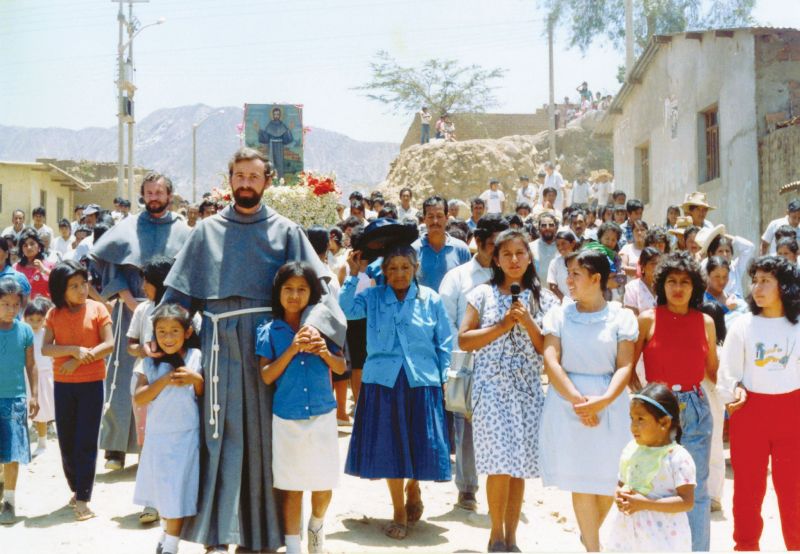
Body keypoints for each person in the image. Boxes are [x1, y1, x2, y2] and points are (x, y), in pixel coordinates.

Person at [161, 148, 346, 552]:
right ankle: (217, 535)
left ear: (267, 181)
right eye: (239, 176)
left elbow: (321, 290)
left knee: (266, 444)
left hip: (271, 349)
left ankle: (262, 537)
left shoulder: (287, 232)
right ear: (229, 180)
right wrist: (169, 336)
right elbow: (175, 299)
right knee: (220, 441)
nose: (246, 183)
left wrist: (313, 329)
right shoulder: (205, 232)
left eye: (254, 176)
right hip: (218, 351)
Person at [341, 245, 452, 541]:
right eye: (392, 268)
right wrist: (354, 275)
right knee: (390, 446)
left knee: (420, 440)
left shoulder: (431, 299)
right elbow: (345, 309)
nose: (399, 274)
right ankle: (398, 511)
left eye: (405, 267)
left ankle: (414, 484)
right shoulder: (373, 297)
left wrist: (444, 378)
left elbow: (444, 341)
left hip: (422, 379)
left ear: (415, 268)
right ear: (384, 273)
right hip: (383, 382)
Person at [458, 229, 558, 552]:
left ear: (529, 257)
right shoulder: (481, 295)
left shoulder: (545, 299)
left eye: (520, 253)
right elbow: (464, 340)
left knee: (519, 468)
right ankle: (495, 534)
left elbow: (547, 348)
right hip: (491, 390)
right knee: (499, 465)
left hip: (528, 392)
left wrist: (527, 321)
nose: (514, 260)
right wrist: (501, 326)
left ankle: (512, 537)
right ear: (496, 260)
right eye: (506, 254)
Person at [90, 172, 192, 472]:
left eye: (159, 192)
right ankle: (115, 446)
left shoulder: (184, 230)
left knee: (163, 373)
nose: (153, 197)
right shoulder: (128, 225)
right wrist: (129, 300)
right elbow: (110, 264)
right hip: (129, 307)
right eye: (148, 192)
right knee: (122, 376)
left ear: (169, 195)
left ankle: (154, 447)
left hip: (171, 313)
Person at [540, 249, 638, 552]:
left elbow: (625, 365)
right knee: (581, 479)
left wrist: (604, 400)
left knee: (611, 478)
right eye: (568, 274)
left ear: (596, 279)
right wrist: (577, 400)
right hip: (567, 402)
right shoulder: (558, 315)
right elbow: (550, 358)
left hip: (611, 403)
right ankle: (594, 549)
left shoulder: (621, 316)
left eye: (575, 275)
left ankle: (589, 534)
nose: (568, 281)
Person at [257, 262, 346, 554]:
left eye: (301, 289)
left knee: (323, 481)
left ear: (311, 293)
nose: (294, 295)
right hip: (287, 417)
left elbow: (341, 365)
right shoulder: (269, 330)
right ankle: (293, 546)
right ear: (278, 293)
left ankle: (317, 525)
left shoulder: (324, 324)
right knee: (291, 485)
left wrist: (322, 349)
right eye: (288, 289)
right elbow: (267, 374)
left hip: (322, 412)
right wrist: (293, 348)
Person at [632, 251, 718, 551]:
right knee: (654, 484)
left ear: (695, 286)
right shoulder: (647, 319)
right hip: (658, 411)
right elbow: (629, 369)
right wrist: (644, 402)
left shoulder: (705, 322)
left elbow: (713, 370)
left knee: (695, 486)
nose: (678, 288)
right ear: (661, 285)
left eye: (685, 282)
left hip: (694, 408)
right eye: (671, 281)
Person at [717, 256, 800, 551]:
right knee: (748, 490)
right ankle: (746, 545)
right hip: (751, 414)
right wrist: (734, 390)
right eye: (755, 280)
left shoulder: (797, 327)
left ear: (785, 287)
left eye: (766, 280)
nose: (758, 287)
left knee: (793, 491)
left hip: (792, 414)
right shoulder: (742, 326)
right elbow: (727, 373)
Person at [439, 215, 510, 514]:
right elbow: (445, 324)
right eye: (493, 246)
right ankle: (467, 489)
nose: (498, 253)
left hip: (504, 364)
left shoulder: (510, 278)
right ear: (479, 243)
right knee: (465, 429)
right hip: (467, 362)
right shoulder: (458, 278)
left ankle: (503, 486)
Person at [42, 260, 114, 521]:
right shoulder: (54, 314)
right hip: (63, 386)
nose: (82, 290)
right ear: (61, 290)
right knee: (67, 443)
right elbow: (46, 348)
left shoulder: (97, 309)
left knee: (86, 441)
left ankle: (84, 498)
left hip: (92, 384)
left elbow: (109, 344)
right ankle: (76, 488)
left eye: (84, 284)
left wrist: (82, 359)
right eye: (74, 286)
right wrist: (72, 350)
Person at [133, 304, 203, 554]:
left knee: (178, 490)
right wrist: (163, 380)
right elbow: (139, 397)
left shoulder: (196, 357)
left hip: (186, 436)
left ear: (187, 332)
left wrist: (195, 380)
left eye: (175, 331)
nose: (168, 338)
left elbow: (204, 394)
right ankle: (166, 535)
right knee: (164, 491)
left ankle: (170, 546)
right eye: (162, 332)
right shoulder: (150, 362)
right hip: (159, 438)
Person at [604, 383, 696, 552]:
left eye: (641, 419)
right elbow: (621, 482)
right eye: (632, 418)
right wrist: (618, 495)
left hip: (663, 538)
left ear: (664, 423)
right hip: (627, 535)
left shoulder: (677, 458)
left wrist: (646, 503)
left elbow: (686, 502)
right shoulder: (631, 450)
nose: (633, 426)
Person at [126, 256, 174, 525]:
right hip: (144, 380)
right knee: (147, 441)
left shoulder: (181, 308)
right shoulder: (144, 310)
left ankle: (172, 498)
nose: (143, 286)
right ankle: (150, 501)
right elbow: (130, 345)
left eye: (147, 280)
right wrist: (143, 350)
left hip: (175, 383)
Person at [0, 278, 38, 525]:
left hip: (15, 400)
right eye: (5, 304)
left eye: (15, 304)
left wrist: (34, 394)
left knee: (12, 454)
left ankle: (9, 502)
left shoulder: (24, 330)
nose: (11, 309)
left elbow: (31, 365)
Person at [412, 196, 471, 291]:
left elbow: (467, 286)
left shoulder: (461, 249)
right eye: (430, 217)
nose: (435, 221)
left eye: (439, 216)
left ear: (447, 218)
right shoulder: (414, 250)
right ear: (424, 219)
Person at [23, 296, 54, 459]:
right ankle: (23, 442)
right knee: (24, 410)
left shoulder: (47, 333)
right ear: (25, 317)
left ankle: (42, 442)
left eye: (39, 320)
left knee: (41, 410)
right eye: (31, 319)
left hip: (45, 375)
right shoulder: (22, 331)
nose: (35, 323)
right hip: (25, 376)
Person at [696, 225, 755, 299]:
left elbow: (750, 247)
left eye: (727, 251)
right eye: (720, 251)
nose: (725, 254)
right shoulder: (705, 265)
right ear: (711, 254)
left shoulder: (736, 267)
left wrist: (728, 237)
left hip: (737, 309)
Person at [14, 228, 53, 300]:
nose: (29, 247)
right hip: (23, 309)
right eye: (25, 245)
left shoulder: (49, 266)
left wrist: (44, 270)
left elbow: (60, 280)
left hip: (45, 308)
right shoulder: (16, 268)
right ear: (22, 249)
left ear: (39, 247)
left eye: (32, 244)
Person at [258, 106, 295, 179]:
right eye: (275, 114)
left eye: (278, 114)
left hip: (280, 146)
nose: (276, 116)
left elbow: (286, 137)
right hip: (271, 145)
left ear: (280, 115)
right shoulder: (270, 125)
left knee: (279, 162)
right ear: (272, 115)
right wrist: (258, 130)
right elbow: (266, 137)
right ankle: (272, 180)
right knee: (271, 162)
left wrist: (289, 129)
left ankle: (280, 179)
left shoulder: (282, 125)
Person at [623, 247, 660, 316]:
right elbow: (632, 318)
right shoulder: (632, 287)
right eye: (653, 263)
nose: (657, 267)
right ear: (643, 266)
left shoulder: (664, 286)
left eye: (659, 263)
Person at [547, 230, 578, 302]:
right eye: (558, 245)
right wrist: (565, 301)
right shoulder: (554, 263)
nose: (560, 247)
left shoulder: (582, 261)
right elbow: (552, 286)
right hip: (562, 304)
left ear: (573, 243)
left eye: (563, 243)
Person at [530, 214, 558, 287]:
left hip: (560, 293)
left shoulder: (562, 246)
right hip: (538, 292)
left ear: (556, 228)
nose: (547, 228)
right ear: (538, 228)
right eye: (544, 225)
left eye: (551, 225)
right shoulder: (530, 247)